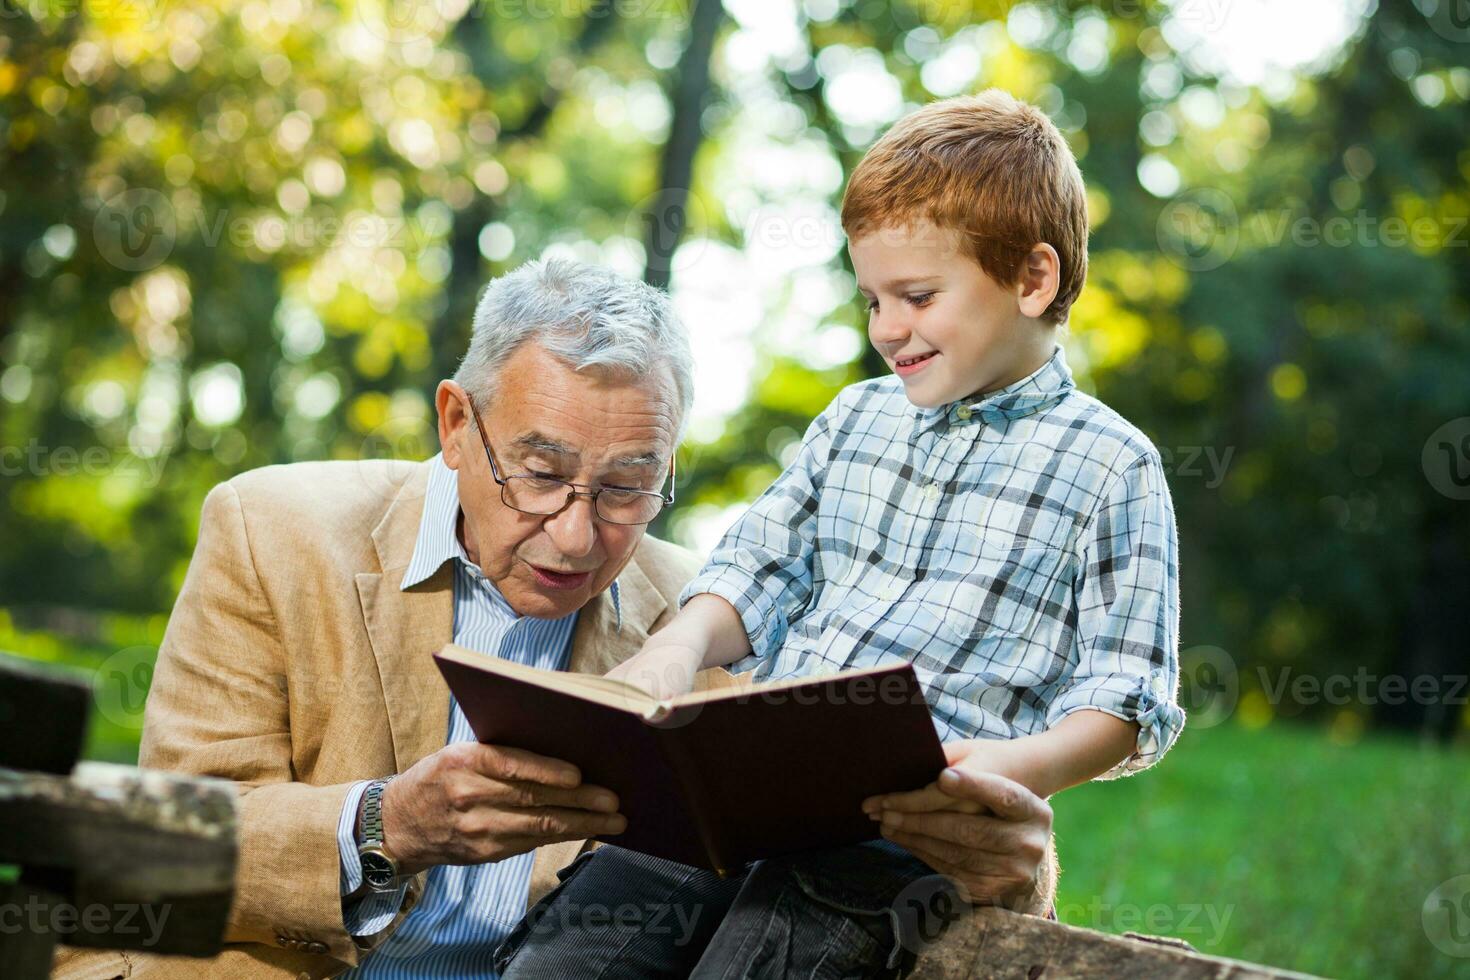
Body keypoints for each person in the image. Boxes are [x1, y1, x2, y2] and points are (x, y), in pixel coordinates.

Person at [54, 257, 1058, 980]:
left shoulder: (701, 617)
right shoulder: (275, 530)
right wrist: (384, 824)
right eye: (539, 475)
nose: (577, 535)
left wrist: (1007, 868)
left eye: (628, 487)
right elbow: (157, 844)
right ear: (455, 423)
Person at [494, 90, 1185, 978]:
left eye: (918, 296)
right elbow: (761, 568)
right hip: (747, 791)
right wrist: (676, 650)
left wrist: (1013, 767)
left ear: (1032, 280)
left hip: (896, 838)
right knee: (572, 953)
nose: (887, 329)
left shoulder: (1111, 465)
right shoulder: (854, 420)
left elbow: (1127, 697)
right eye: (872, 300)